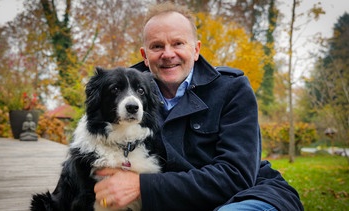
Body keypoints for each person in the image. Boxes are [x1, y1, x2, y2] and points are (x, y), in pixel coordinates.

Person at [94, 2, 303, 211]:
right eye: (157, 46)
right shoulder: (121, 98)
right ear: (145, 56)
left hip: (248, 196)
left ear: (196, 50)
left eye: (178, 43)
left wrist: (142, 186)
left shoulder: (233, 89)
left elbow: (237, 176)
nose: (168, 54)